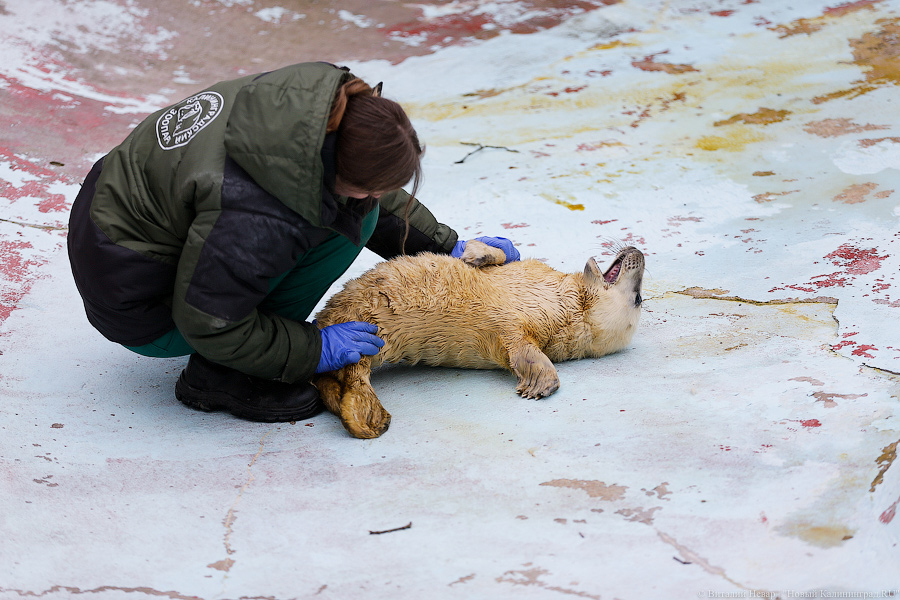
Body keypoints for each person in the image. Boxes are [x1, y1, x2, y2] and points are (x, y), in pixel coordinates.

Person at [67, 61, 519, 423]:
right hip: (142, 309)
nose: (376, 197)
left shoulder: (313, 109)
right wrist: (309, 350)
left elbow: (361, 181)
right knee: (345, 225)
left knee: (353, 207)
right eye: (370, 187)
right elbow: (208, 321)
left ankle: (247, 341)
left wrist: (446, 247)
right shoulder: (257, 210)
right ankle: (223, 376)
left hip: (117, 233)